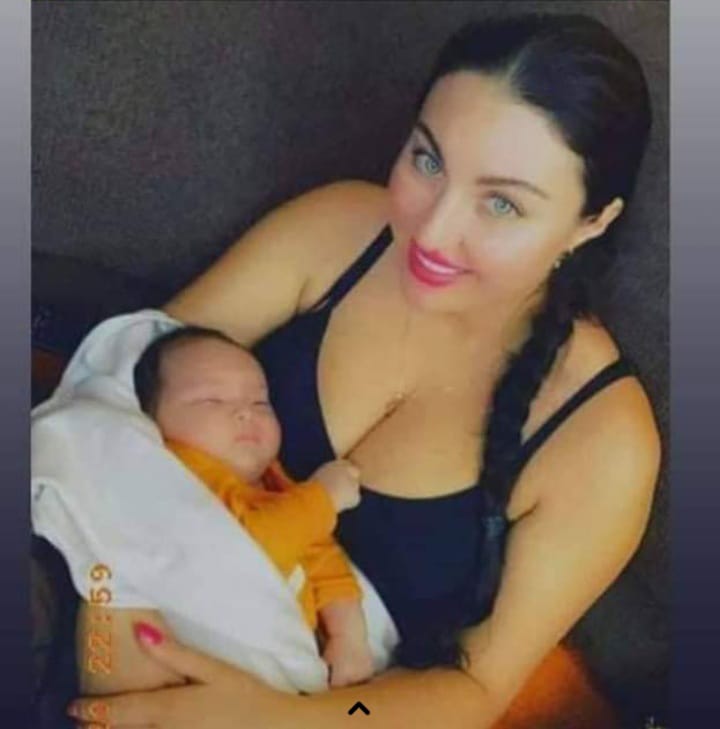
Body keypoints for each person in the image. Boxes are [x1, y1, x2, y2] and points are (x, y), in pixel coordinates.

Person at [67, 12, 661, 729]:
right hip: (114, 587)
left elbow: (475, 686)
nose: (431, 231)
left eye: (502, 203)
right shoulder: (341, 229)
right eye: (428, 159)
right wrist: (109, 593)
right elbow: (126, 378)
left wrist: (279, 718)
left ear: (592, 221)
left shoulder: (601, 440)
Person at [75, 324, 375, 695]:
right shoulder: (176, 475)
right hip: (199, 659)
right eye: (211, 401)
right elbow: (244, 552)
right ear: (151, 422)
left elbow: (324, 562)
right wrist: (323, 498)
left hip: (280, 682)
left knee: (356, 710)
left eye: (260, 403)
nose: (245, 413)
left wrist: (349, 638)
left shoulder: (275, 488)